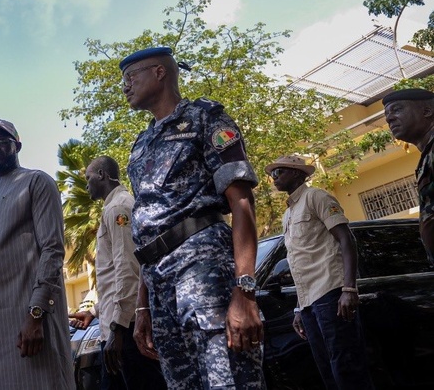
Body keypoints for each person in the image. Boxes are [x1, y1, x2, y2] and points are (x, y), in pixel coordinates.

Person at [119, 47, 266, 388]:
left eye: (131, 77)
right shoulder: (141, 144)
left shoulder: (206, 119)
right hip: (157, 280)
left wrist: (245, 292)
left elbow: (242, 202)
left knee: (228, 380)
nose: (125, 87)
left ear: (159, 72)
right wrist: (143, 308)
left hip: (204, 268)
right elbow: (148, 226)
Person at [0, 119, 73, 389]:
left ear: (17, 145)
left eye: (2, 141)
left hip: (31, 325)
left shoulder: (36, 182)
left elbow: (53, 250)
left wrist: (35, 314)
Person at [267, 155, 374, 389]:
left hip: (331, 293)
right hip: (309, 303)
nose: (273, 178)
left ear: (296, 173)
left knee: (347, 368)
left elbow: (347, 240)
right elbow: (300, 262)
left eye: (278, 172)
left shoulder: (316, 196)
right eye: (272, 174)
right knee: (327, 371)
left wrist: (349, 288)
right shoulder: (287, 215)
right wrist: (299, 307)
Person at [69, 156, 165, 390]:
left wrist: (119, 330)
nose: (87, 185)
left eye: (88, 178)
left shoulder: (119, 207)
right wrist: (94, 311)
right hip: (115, 328)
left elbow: (128, 269)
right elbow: (113, 277)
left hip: (127, 330)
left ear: (101, 174)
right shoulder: (111, 208)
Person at [383, 88, 434, 263]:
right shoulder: (427, 155)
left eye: (397, 109)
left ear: (427, 111)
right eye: (387, 115)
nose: (389, 118)